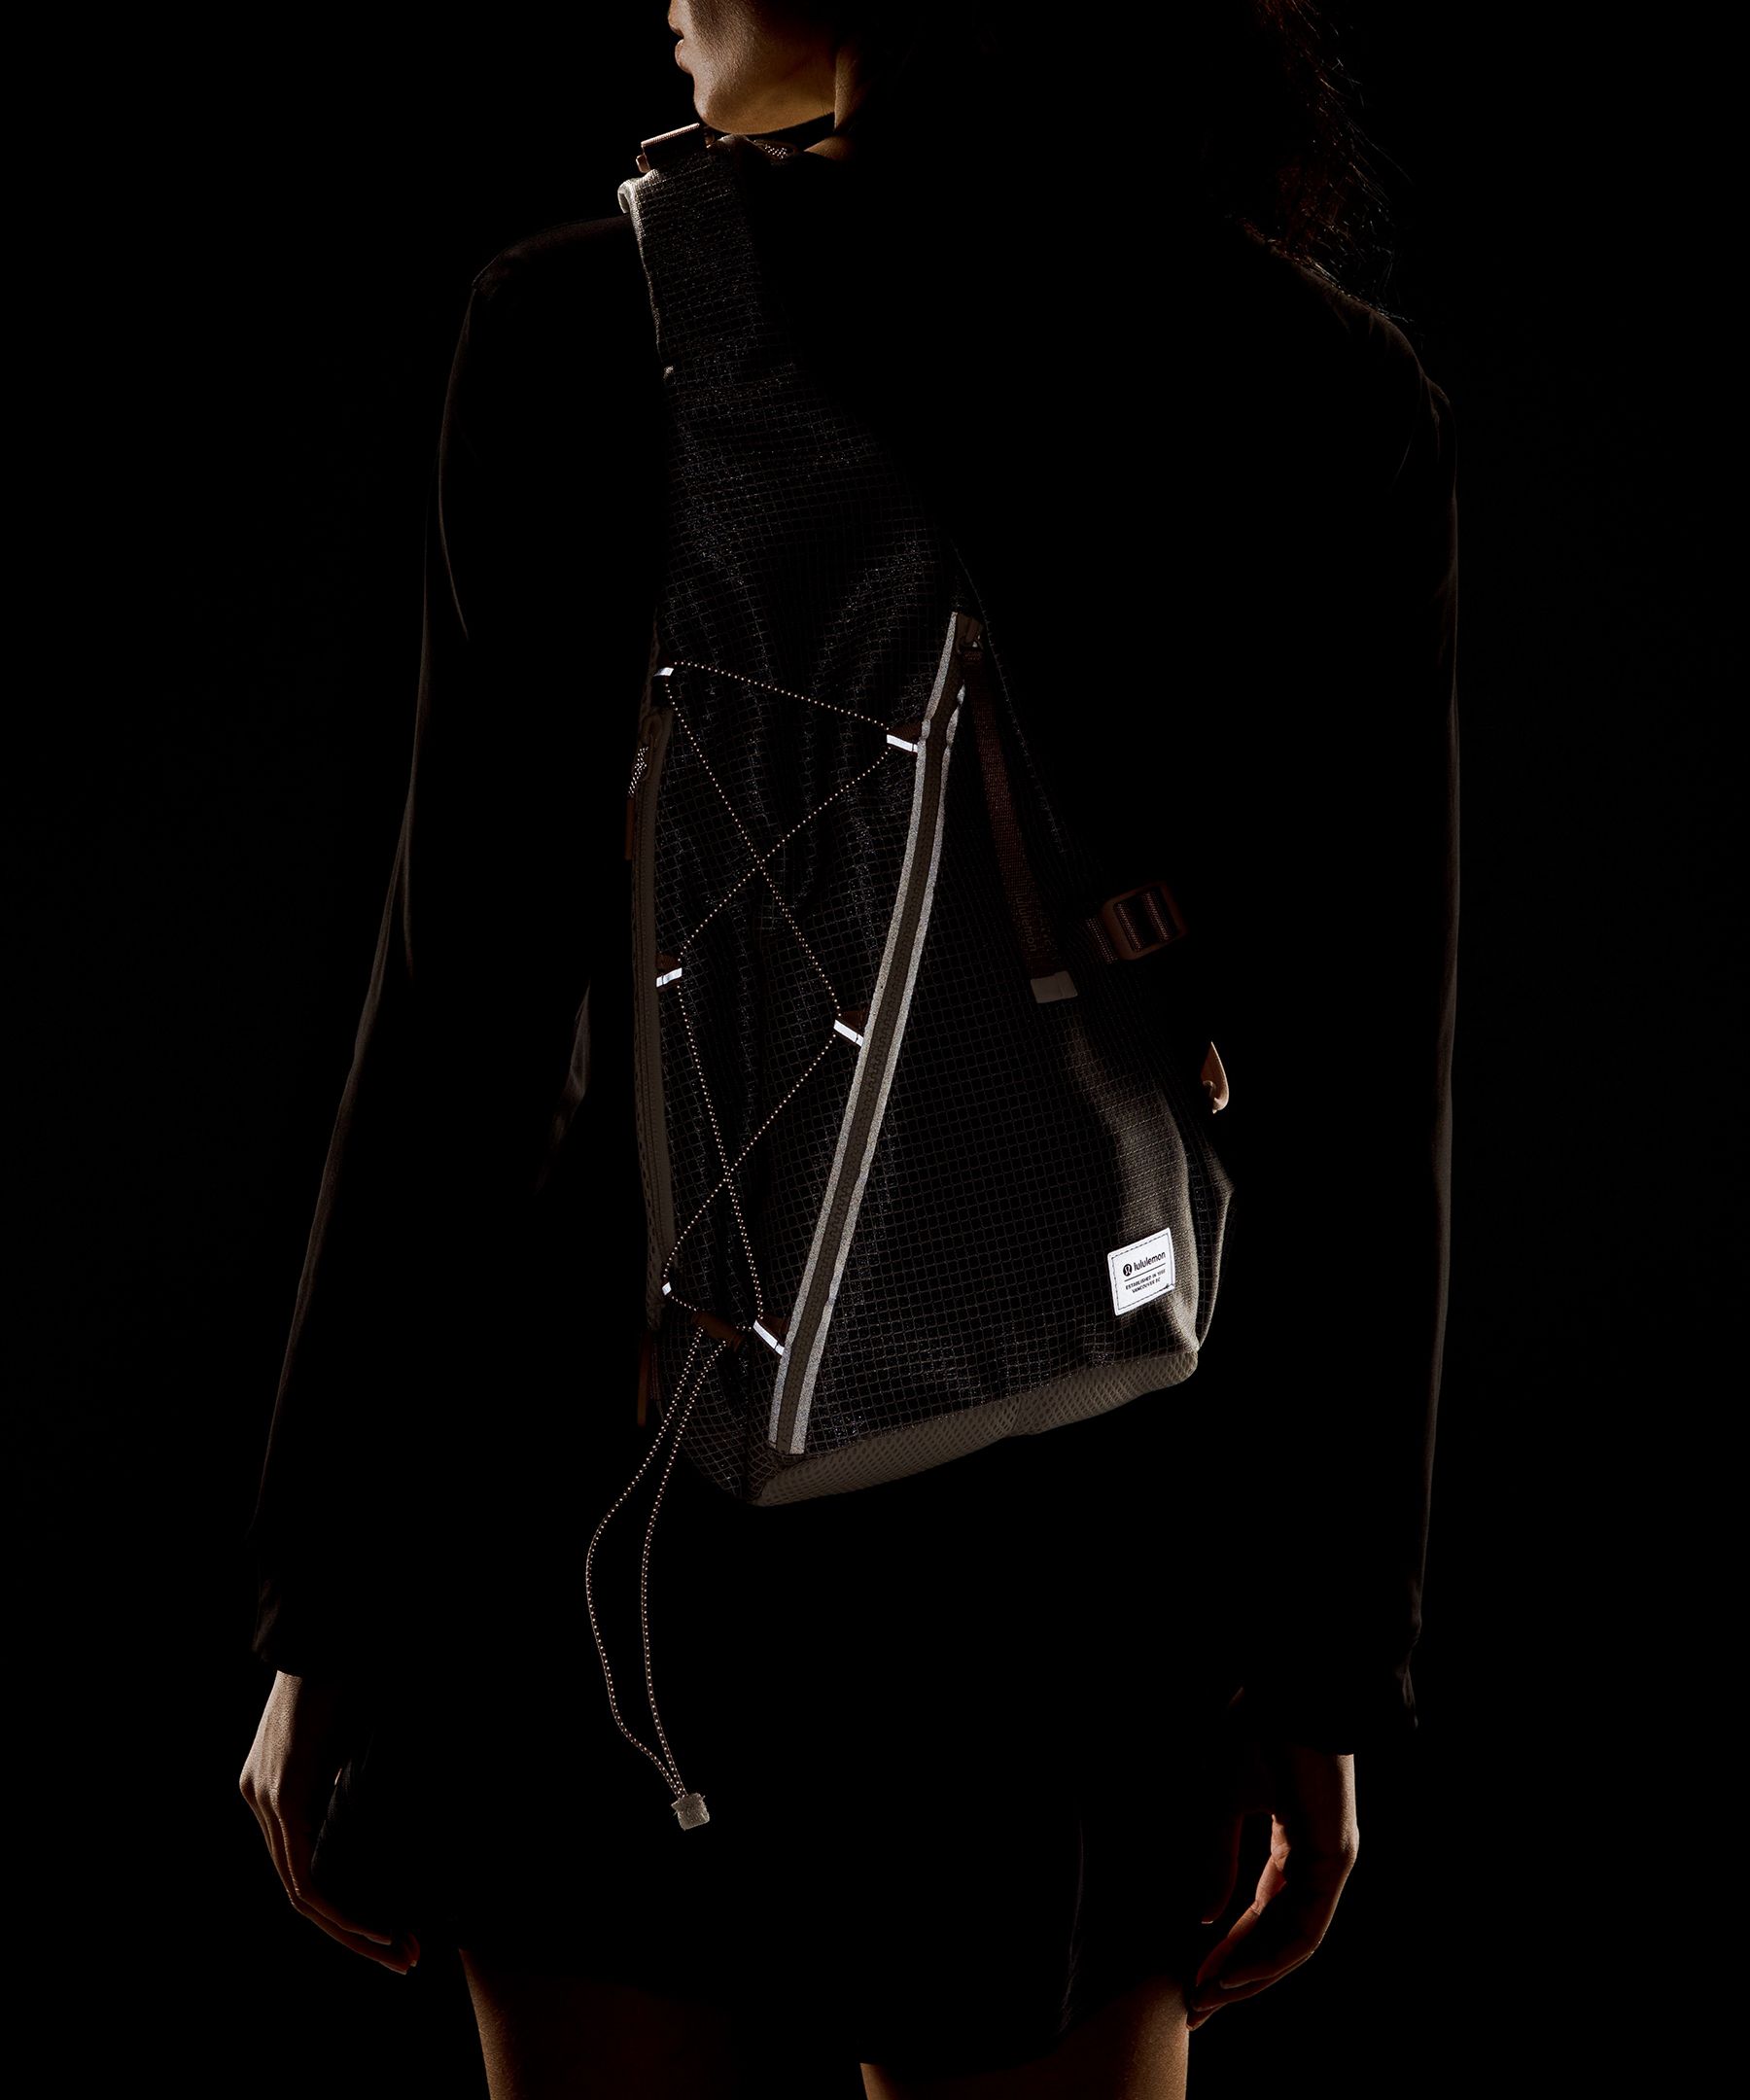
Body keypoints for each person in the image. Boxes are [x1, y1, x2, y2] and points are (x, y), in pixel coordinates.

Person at [237, 5, 1459, 2095]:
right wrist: (1329, 1668)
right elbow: (1357, 1104)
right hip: (1068, 1552)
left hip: (606, 1521)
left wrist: (326, 1612)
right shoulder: (1308, 386)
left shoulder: (582, 325)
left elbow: (459, 1030)